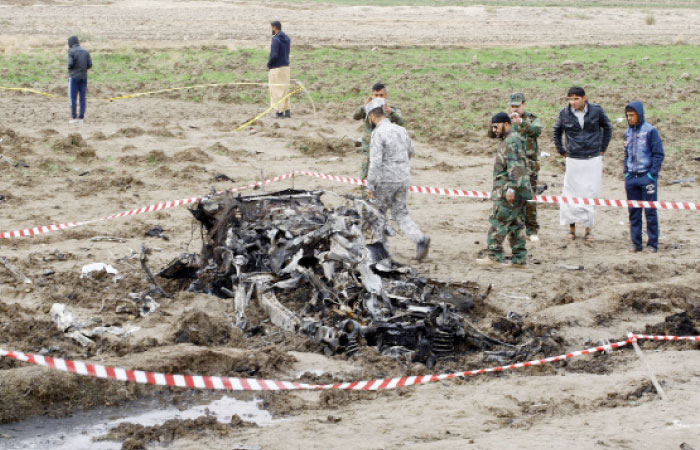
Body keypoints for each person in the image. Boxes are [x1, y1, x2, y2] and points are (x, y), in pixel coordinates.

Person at [365, 98, 429, 261]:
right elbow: (411, 151)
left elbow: (375, 161)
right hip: (403, 177)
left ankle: (381, 251)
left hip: (385, 179)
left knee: (377, 213)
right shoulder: (401, 129)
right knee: (400, 213)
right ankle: (420, 239)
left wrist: (370, 185)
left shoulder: (377, 133)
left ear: (372, 117)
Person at [553, 86, 612, 241]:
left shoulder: (597, 111)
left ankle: (588, 230)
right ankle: (571, 230)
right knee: (570, 193)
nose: (573, 102)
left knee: (590, 193)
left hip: (593, 158)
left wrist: (602, 149)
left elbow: (608, 127)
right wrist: (562, 150)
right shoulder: (564, 113)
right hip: (573, 158)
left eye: (576, 99)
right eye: (570, 99)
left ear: (584, 98)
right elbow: (556, 131)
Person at [477, 113, 531, 267]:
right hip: (518, 189)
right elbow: (492, 135)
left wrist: (512, 189)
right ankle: (519, 259)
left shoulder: (511, 141)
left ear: (506, 125)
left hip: (509, 189)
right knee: (515, 225)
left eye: (496, 126)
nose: (494, 130)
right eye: (493, 126)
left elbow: (516, 166)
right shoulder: (510, 138)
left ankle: (494, 256)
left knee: (498, 221)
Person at [623, 101, 664, 253]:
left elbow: (658, 154)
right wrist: (626, 173)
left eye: (632, 115)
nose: (629, 118)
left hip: (646, 177)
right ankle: (636, 243)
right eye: (627, 115)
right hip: (631, 178)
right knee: (634, 212)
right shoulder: (627, 132)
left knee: (650, 212)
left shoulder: (650, 131)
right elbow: (626, 154)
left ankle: (652, 244)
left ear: (639, 115)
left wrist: (652, 175)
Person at [353, 83, 406, 179]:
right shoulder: (367, 108)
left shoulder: (391, 109)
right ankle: (364, 192)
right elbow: (355, 116)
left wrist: (392, 113)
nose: (378, 98)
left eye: (381, 95)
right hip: (369, 144)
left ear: (386, 96)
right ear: (372, 95)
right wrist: (365, 107)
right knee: (367, 168)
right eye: (376, 95)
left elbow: (402, 122)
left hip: (385, 145)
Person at [508, 92, 542, 242]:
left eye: (517, 105)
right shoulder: (508, 120)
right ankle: (517, 228)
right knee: (513, 199)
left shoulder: (532, 119)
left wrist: (521, 122)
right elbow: (494, 133)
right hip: (514, 165)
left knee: (530, 200)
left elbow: (536, 131)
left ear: (524, 104)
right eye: (513, 106)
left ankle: (532, 229)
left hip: (530, 166)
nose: (515, 109)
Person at [267, 21, 291, 119]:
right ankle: (287, 111)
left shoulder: (276, 39)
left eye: (271, 28)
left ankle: (279, 113)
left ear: (274, 27)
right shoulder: (287, 38)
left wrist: (269, 64)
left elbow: (274, 55)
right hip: (286, 67)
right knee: (285, 90)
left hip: (276, 68)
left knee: (276, 90)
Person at [67, 36, 92, 124]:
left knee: (73, 98)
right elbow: (89, 65)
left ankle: (74, 118)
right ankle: (81, 118)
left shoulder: (71, 51)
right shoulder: (85, 52)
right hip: (83, 77)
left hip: (73, 78)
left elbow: (70, 65)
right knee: (82, 98)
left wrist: (72, 70)